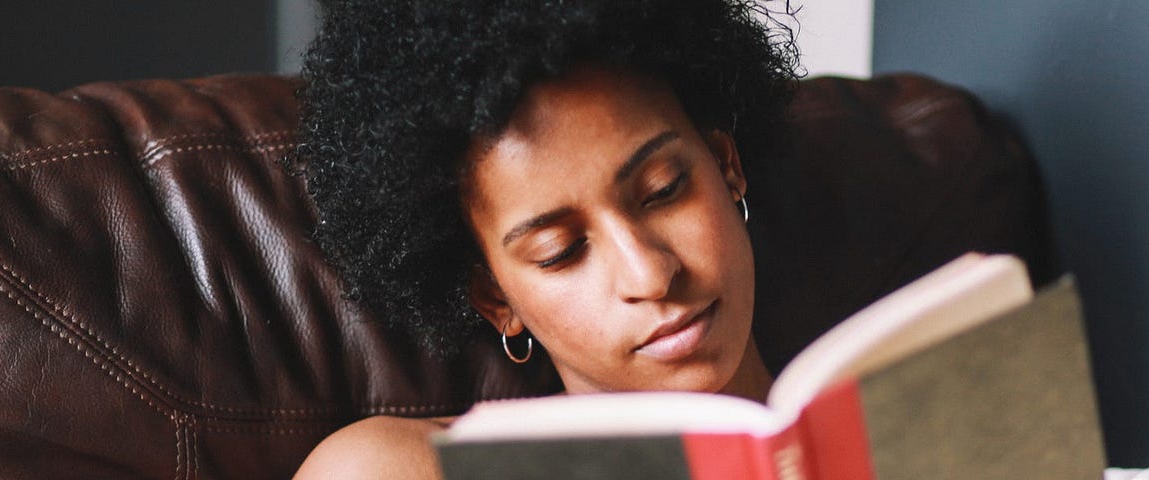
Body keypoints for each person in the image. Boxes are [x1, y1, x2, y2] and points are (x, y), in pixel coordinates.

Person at [291, 0, 798, 477]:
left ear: (726, 167)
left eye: (663, 190)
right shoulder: (402, 468)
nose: (650, 275)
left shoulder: (870, 421)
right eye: (561, 252)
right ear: (496, 299)